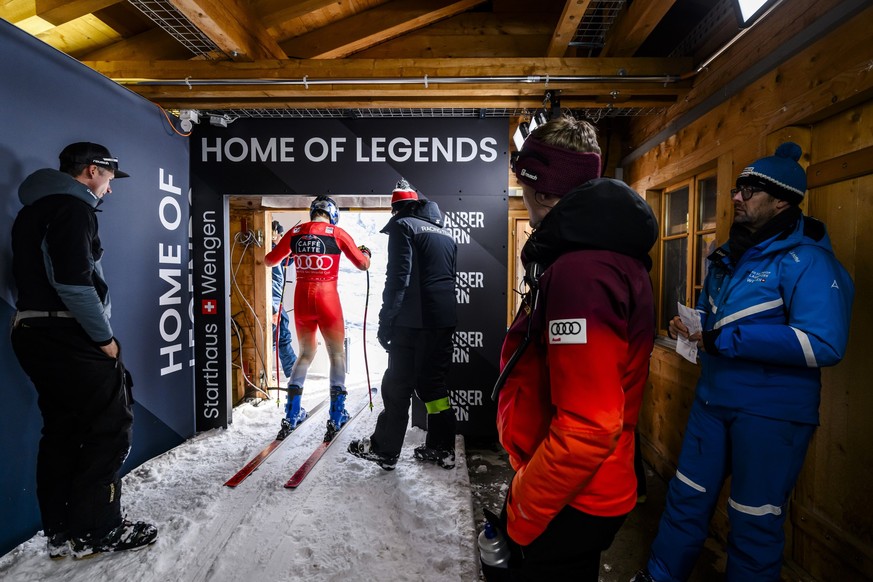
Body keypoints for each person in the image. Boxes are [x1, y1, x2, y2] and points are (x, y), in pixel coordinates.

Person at [632, 143, 854, 582]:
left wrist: (722, 338)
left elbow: (822, 344)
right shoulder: (726, 257)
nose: (737, 197)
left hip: (772, 414)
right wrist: (690, 327)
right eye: (739, 188)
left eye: (750, 191)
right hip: (713, 402)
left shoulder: (809, 260)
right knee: (686, 500)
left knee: (754, 521)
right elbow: (715, 325)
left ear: (782, 201)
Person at [488, 116, 658, 581]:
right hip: (578, 485)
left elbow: (589, 425)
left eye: (523, 183)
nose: (520, 192)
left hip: (573, 496)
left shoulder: (582, 273)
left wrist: (522, 508)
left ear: (543, 192)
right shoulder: (599, 257)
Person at [10, 142, 157, 559]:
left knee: (63, 431)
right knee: (108, 429)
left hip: (33, 331)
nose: (109, 190)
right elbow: (74, 283)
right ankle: (97, 531)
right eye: (109, 179)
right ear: (93, 170)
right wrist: (103, 339)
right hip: (69, 334)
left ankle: (61, 530)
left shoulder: (31, 213)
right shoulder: (73, 210)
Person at [347, 179, 458, 471]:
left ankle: (385, 450)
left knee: (397, 386)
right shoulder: (444, 234)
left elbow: (398, 278)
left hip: (413, 324)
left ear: (397, 208)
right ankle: (442, 448)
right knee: (433, 387)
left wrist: (386, 323)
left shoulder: (403, 226)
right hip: (444, 322)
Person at [265, 196, 371, 441]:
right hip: (327, 298)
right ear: (332, 214)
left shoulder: (295, 231)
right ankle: (336, 414)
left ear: (313, 211)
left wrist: (288, 250)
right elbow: (363, 264)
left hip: (302, 298)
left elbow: (269, 260)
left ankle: (291, 413)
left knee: (305, 353)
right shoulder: (337, 232)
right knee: (336, 355)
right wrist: (366, 252)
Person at [270, 220, 297, 386]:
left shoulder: (277, 250)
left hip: (275, 300)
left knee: (281, 335)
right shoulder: (270, 249)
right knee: (278, 335)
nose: (280, 238)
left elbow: (289, 261)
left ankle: (292, 369)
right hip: (272, 301)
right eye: (280, 235)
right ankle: (292, 369)